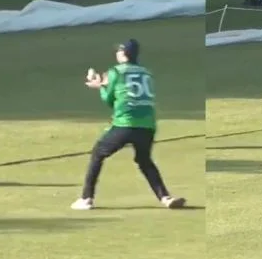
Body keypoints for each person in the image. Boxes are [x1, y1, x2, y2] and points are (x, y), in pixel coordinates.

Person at [73, 39, 186, 211]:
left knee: (97, 154)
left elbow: (109, 100)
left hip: (125, 123)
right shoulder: (146, 72)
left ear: (123, 53)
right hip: (148, 124)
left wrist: (100, 86)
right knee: (144, 160)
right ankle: (165, 197)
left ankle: (86, 198)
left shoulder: (115, 72)